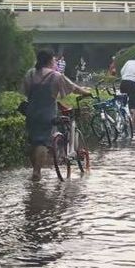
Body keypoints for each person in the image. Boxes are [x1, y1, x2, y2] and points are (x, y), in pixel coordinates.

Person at [22, 49, 89, 181]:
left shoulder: (30, 74)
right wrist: (85, 92)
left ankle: (34, 168)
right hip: (47, 113)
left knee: (33, 142)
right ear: (50, 60)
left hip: (31, 112)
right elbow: (73, 88)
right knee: (42, 142)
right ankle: (37, 172)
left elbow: (25, 91)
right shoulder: (55, 76)